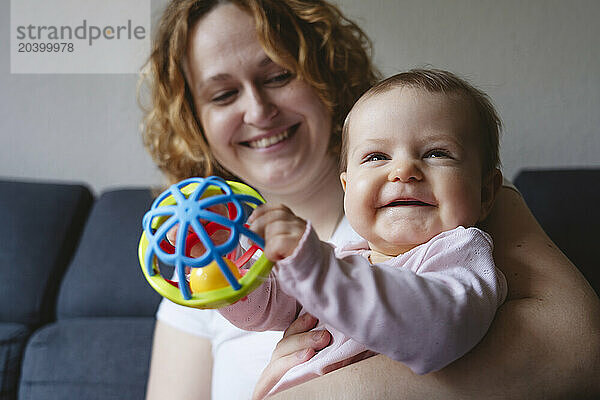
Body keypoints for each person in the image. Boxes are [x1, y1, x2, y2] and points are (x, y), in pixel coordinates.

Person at [140, 1, 600, 399]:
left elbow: (579, 351)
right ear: (194, 120)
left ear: (324, 73)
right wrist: (227, 269)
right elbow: (277, 304)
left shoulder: (452, 229)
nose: (259, 111)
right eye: (223, 94)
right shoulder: (353, 251)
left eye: (278, 75)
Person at [219, 69, 508, 397]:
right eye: (377, 157)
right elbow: (267, 306)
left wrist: (319, 267)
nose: (403, 171)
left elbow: (438, 328)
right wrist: (223, 261)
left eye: (436, 153)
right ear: (347, 189)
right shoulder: (345, 256)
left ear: (485, 193)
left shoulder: (460, 255)